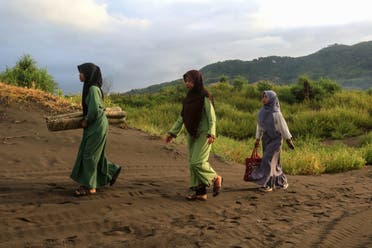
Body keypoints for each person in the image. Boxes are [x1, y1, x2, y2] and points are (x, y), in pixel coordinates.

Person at [165, 70, 223, 201]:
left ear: (197, 80)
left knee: (198, 162)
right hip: (191, 133)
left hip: (204, 133)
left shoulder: (205, 96)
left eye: (190, 80)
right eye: (186, 81)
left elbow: (211, 117)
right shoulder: (188, 99)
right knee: (192, 164)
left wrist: (212, 132)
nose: (187, 83)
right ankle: (200, 192)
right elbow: (182, 117)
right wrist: (172, 133)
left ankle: (215, 178)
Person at [71, 63, 121, 196]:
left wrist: (86, 120)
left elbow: (93, 110)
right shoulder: (91, 87)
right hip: (96, 125)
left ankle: (89, 186)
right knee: (95, 154)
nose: (79, 75)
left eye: (81, 72)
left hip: (96, 125)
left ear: (88, 73)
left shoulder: (92, 89)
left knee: (89, 155)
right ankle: (111, 170)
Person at [248, 90, 294, 192]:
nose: (263, 99)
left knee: (266, 159)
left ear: (272, 99)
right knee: (274, 163)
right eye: (263, 97)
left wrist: (288, 139)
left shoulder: (276, 113)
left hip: (276, 140)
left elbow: (283, 127)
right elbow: (259, 127)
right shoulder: (261, 112)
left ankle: (267, 184)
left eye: (266, 97)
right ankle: (281, 183)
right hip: (266, 139)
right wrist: (257, 139)